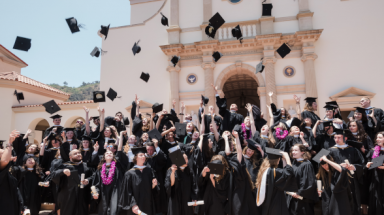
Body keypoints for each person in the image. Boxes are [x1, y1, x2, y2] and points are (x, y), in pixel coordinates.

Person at [328, 129, 365, 215]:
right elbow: (319, 161)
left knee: (353, 201)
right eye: (335, 137)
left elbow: (362, 164)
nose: (336, 140)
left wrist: (354, 167)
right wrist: (335, 165)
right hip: (337, 180)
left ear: (346, 138)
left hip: (352, 181)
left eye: (339, 137)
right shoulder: (329, 149)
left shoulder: (353, 150)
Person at [255, 149, 298, 215]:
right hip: (275, 200)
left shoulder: (265, 170)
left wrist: (283, 160)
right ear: (277, 161)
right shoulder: (274, 171)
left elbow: (284, 173)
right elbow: (288, 172)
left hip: (267, 200)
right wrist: (287, 157)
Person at [52, 149, 94, 215]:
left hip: (82, 196)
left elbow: (93, 176)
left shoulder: (87, 166)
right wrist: (62, 171)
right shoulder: (65, 166)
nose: (78, 154)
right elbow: (53, 175)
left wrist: (88, 180)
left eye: (79, 153)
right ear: (70, 157)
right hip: (68, 196)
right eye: (75, 154)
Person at [118, 147, 158, 215]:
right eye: (141, 155)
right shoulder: (129, 173)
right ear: (136, 158)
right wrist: (133, 204)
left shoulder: (149, 171)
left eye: (144, 155)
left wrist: (154, 185)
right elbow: (127, 191)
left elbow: (152, 190)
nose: (143, 156)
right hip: (135, 207)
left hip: (148, 204)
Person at [91, 149, 127, 215]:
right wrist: (95, 193)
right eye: (107, 153)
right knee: (103, 210)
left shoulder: (118, 166)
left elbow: (119, 152)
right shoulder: (100, 169)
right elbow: (96, 183)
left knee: (114, 210)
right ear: (104, 157)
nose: (109, 154)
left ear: (113, 156)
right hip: (103, 192)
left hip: (116, 192)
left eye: (111, 153)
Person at [287, 144, 319, 215]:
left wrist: (299, 193)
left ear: (302, 152)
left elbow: (308, 182)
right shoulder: (294, 163)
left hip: (303, 199)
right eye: (293, 150)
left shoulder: (306, 164)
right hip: (293, 197)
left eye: (296, 150)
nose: (293, 152)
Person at [0, 130, 24, 215]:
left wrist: (21, 205)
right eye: (2, 153)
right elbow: (5, 160)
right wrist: (9, 143)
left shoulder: (7, 172)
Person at [145, 140, 168, 214]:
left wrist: (157, 146)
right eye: (148, 149)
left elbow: (164, 159)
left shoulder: (157, 157)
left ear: (154, 149)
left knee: (158, 200)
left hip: (158, 179)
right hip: (147, 182)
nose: (150, 151)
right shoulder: (143, 158)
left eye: (151, 149)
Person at [365, 131, 384, 215]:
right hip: (375, 180)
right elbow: (366, 165)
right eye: (377, 138)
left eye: (380, 137)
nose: (377, 139)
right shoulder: (373, 151)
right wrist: (368, 165)